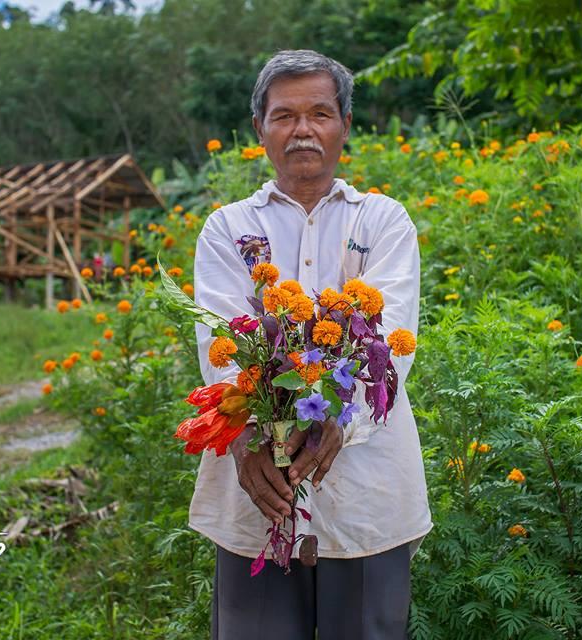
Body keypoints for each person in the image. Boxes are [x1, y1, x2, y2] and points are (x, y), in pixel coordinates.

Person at [190, 49, 431, 640]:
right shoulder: (228, 229)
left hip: (366, 493)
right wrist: (247, 437)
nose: (302, 130)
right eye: (284, 116)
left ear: (345, 125)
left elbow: (390, 342)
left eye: (320, 114)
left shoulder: (383, 222)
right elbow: (220, 342)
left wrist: (337, 420)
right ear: (260, 129)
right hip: (258, 488)